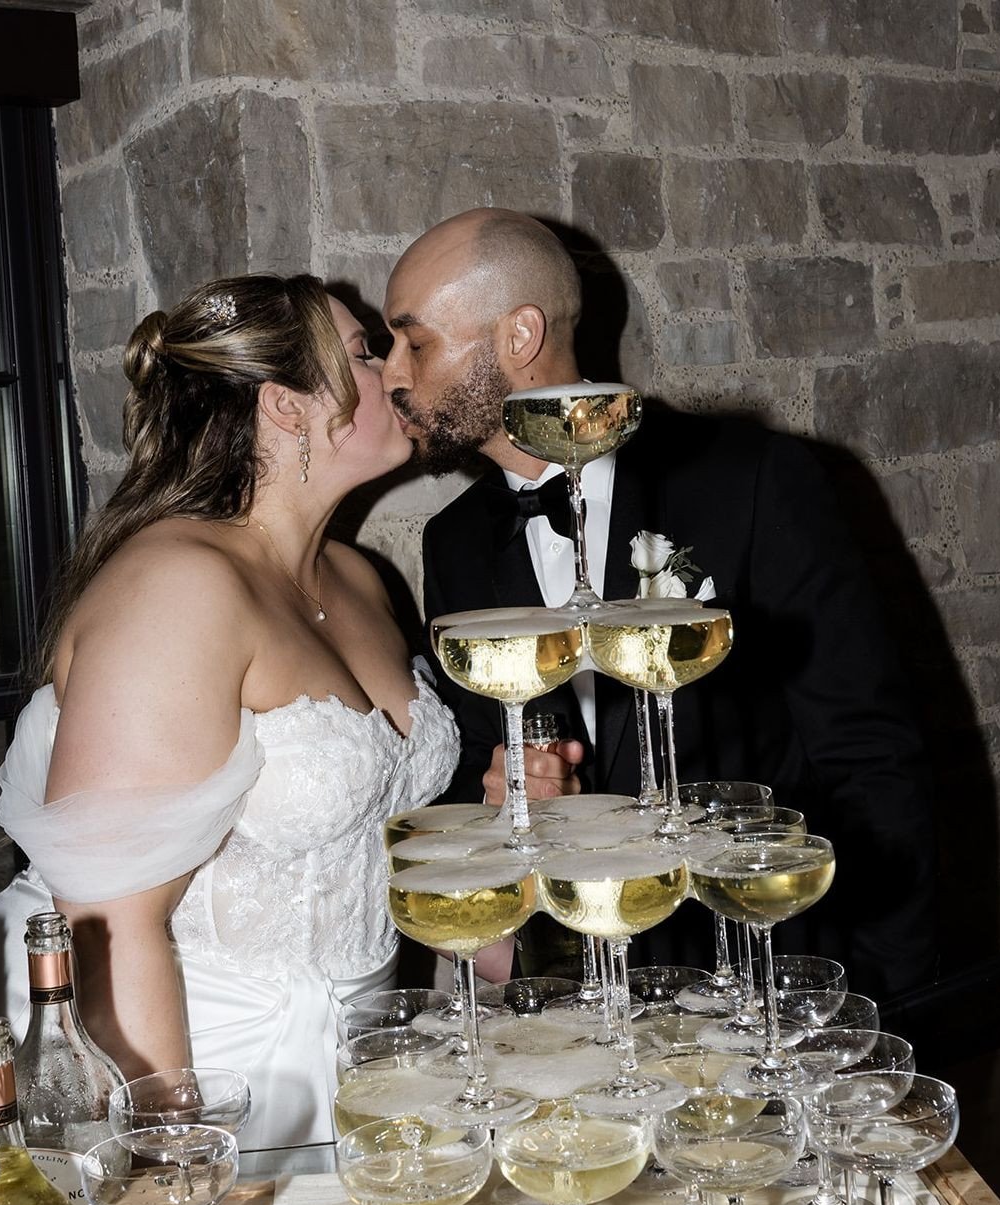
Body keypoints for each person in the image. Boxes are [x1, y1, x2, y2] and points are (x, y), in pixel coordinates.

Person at [382, 207, 937, 1003]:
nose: (393, 374)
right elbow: (481, 759)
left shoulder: (749, 480)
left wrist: (892, 1005)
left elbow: (872, 756)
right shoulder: (457, 542)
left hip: (775, 981)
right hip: (596, 1002)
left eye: (416, 342)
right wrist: (511, 791)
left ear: (519, 337)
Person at [0, 273, 459, 1148]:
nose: (394, 375)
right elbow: (109, 924)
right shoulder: (177, 587)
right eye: (363, 355)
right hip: (203, 1070)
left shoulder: (357, 577)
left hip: (370, 1064)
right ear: (286, 407)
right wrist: (170, 1154)